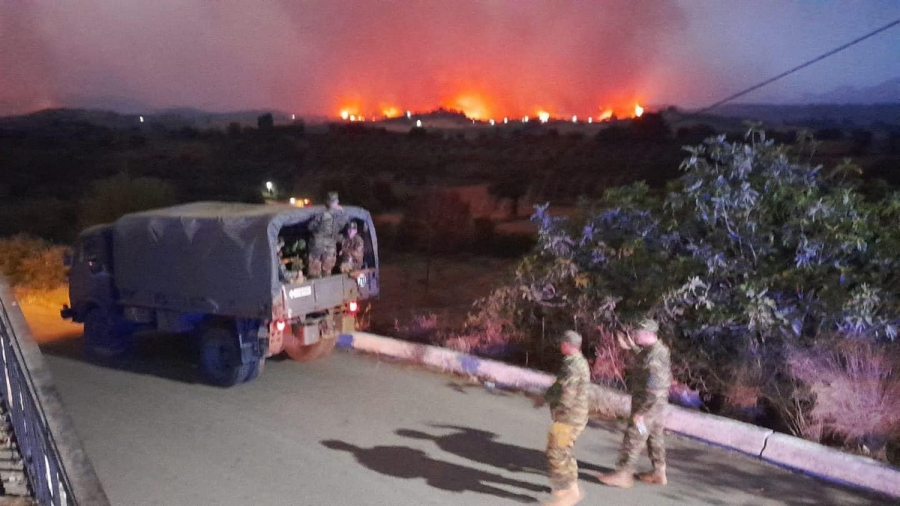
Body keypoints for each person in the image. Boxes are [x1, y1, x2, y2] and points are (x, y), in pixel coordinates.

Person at [597, 317, 672, 489]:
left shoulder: (654, 358)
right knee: (653, 436)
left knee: (634, 435)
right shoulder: (656, 350)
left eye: (637, 333)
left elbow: (654, 390)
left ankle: (623, 475)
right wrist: (632, 348)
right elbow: (645, 360)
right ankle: (658, 472)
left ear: (647, 334)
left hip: (648, 406)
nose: (634, 335)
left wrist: (641, 413)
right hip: (656, 407)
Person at [542, 330, 590, 506]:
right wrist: (546, 398)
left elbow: (566, 395)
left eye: (562, 342)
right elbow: (559, 387)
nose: (560, 345)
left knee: (556, 452)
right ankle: (571, 489)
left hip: (568, 418)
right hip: (573, 416)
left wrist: (559, 414)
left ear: (568, 345)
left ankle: (566, 494)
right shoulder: (576, 362)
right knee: (564, 450)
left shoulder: (572, 366)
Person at [307, 191, 346, 278]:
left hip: (317, 244)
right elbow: (340, 226)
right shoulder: (336, 216)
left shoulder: (321, 214)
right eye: (336, 201)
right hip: (329, 245)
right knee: (327, 270)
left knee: (315, 270)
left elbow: (310, 227)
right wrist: (342, 212)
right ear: (336, 202)